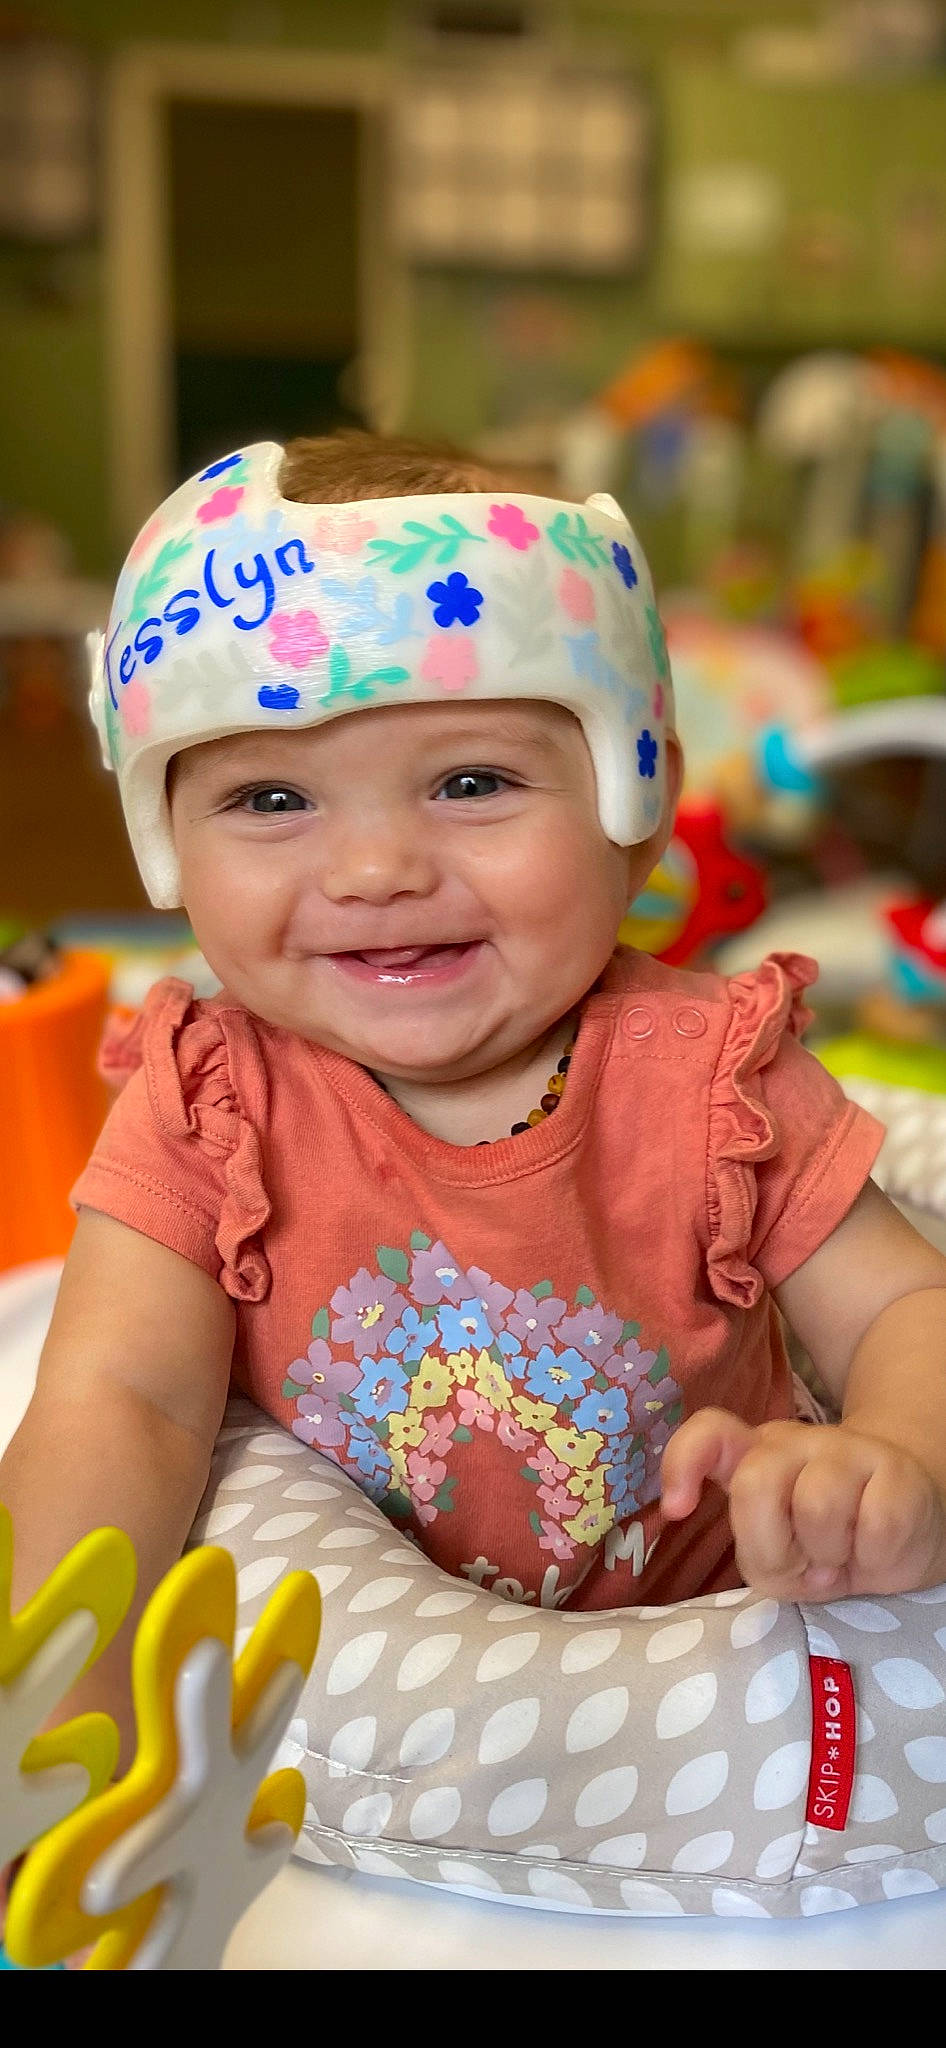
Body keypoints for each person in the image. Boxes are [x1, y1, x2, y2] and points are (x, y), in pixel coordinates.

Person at [3, 429, 946, 1752]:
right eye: (272, 797)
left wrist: (892, 1454)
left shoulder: (713, 1074)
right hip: (352, 1703)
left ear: (636, 795)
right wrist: (58, 1700)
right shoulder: (205, 1095)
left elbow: (907, 1301)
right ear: (166, 841)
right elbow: (123, 1403)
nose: (377, 867)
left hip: (707, 1677)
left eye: (469, 782)